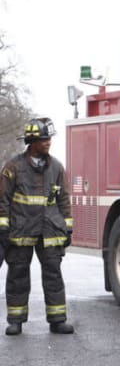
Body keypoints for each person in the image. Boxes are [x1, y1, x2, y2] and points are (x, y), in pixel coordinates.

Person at [0, 118, 74, 335]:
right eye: (44, 139)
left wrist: (67, 227)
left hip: (50, 230)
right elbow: (3, 200)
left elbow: (64, 199)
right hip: (20, 230)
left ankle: (58, 320)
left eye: (49, 138)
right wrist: (3, 228)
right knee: (18, 275)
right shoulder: (13, 168)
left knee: (53, 275)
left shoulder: (57, 167)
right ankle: (16, 320)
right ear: (31, 142)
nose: (48, 142)